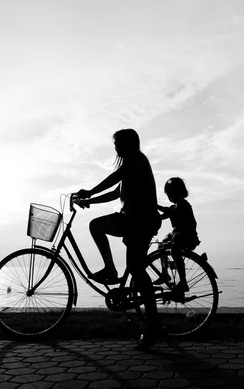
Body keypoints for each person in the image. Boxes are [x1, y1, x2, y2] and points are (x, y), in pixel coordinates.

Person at [75, 128, 163, 350]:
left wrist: (90, 192)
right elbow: (116, 192)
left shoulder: (135, 161)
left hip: (140, 222)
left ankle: (153, 328)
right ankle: (111, 270)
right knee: (96, 226)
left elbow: (115, 177)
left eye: (118, 143)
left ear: (129, 144)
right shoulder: (132, 164)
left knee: (136, 269)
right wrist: (91, 199)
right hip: (132, 221)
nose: (115, 147)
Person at [157, 177, 200, 300]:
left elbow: (169, 212)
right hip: (178, 234)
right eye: (168, 194)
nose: (169, 197)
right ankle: (165, 273)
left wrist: (155, 205)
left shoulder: (183, 205)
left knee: (175, 251)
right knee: (161, 245)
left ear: (179, 192)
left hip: (187, 235)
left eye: (171, 194)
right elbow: (164, 215)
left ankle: (183, 281)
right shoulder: (175, 206)